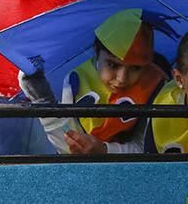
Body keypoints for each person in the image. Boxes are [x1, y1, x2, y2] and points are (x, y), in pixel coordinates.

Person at [19, 9, 167, 154]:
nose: (122, 79)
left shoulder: (157, 88)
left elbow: (148, 150)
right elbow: (67, 144)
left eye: (135, 68)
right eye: (113, 64)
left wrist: (104, 150)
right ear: (96, 51)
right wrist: (44, 102)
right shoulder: (76, 81)